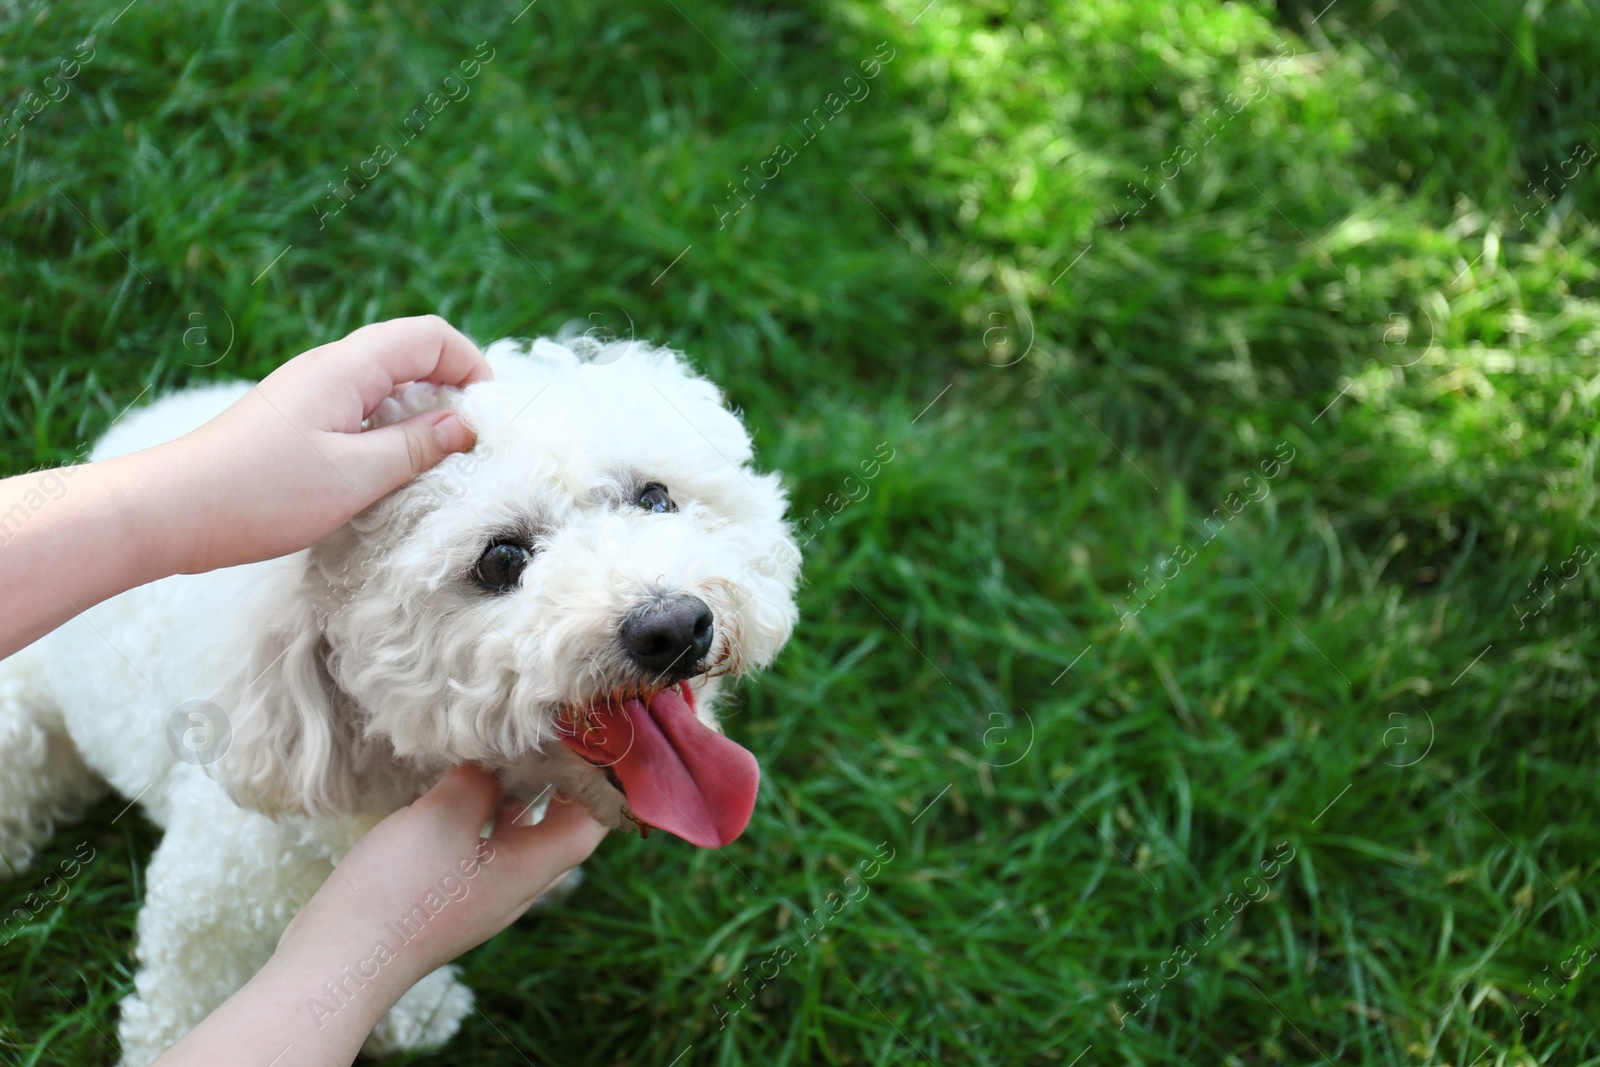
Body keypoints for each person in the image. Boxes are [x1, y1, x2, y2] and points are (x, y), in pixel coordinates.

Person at [0, 316, 607, 1065]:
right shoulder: (257, 811)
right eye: (502, 562)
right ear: (335, 653)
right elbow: (200, 926)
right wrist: (362, 964)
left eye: (648, 501)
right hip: (54, 660)